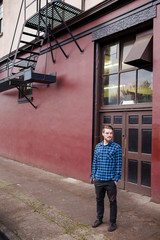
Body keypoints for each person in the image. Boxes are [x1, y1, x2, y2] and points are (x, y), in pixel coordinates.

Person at [91, 125, 122, 232]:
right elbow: (95, 162)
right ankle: (99, 219)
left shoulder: (116, 147)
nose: (109, 135)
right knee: (99, 200)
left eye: (111, 133)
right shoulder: (98, 147)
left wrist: (116, 179)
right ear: (103, 134)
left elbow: (119, 164)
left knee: (112, 202)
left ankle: (113, 222)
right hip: (98, 180)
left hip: (110, 181)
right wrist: (94, 176)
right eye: (107, 133)